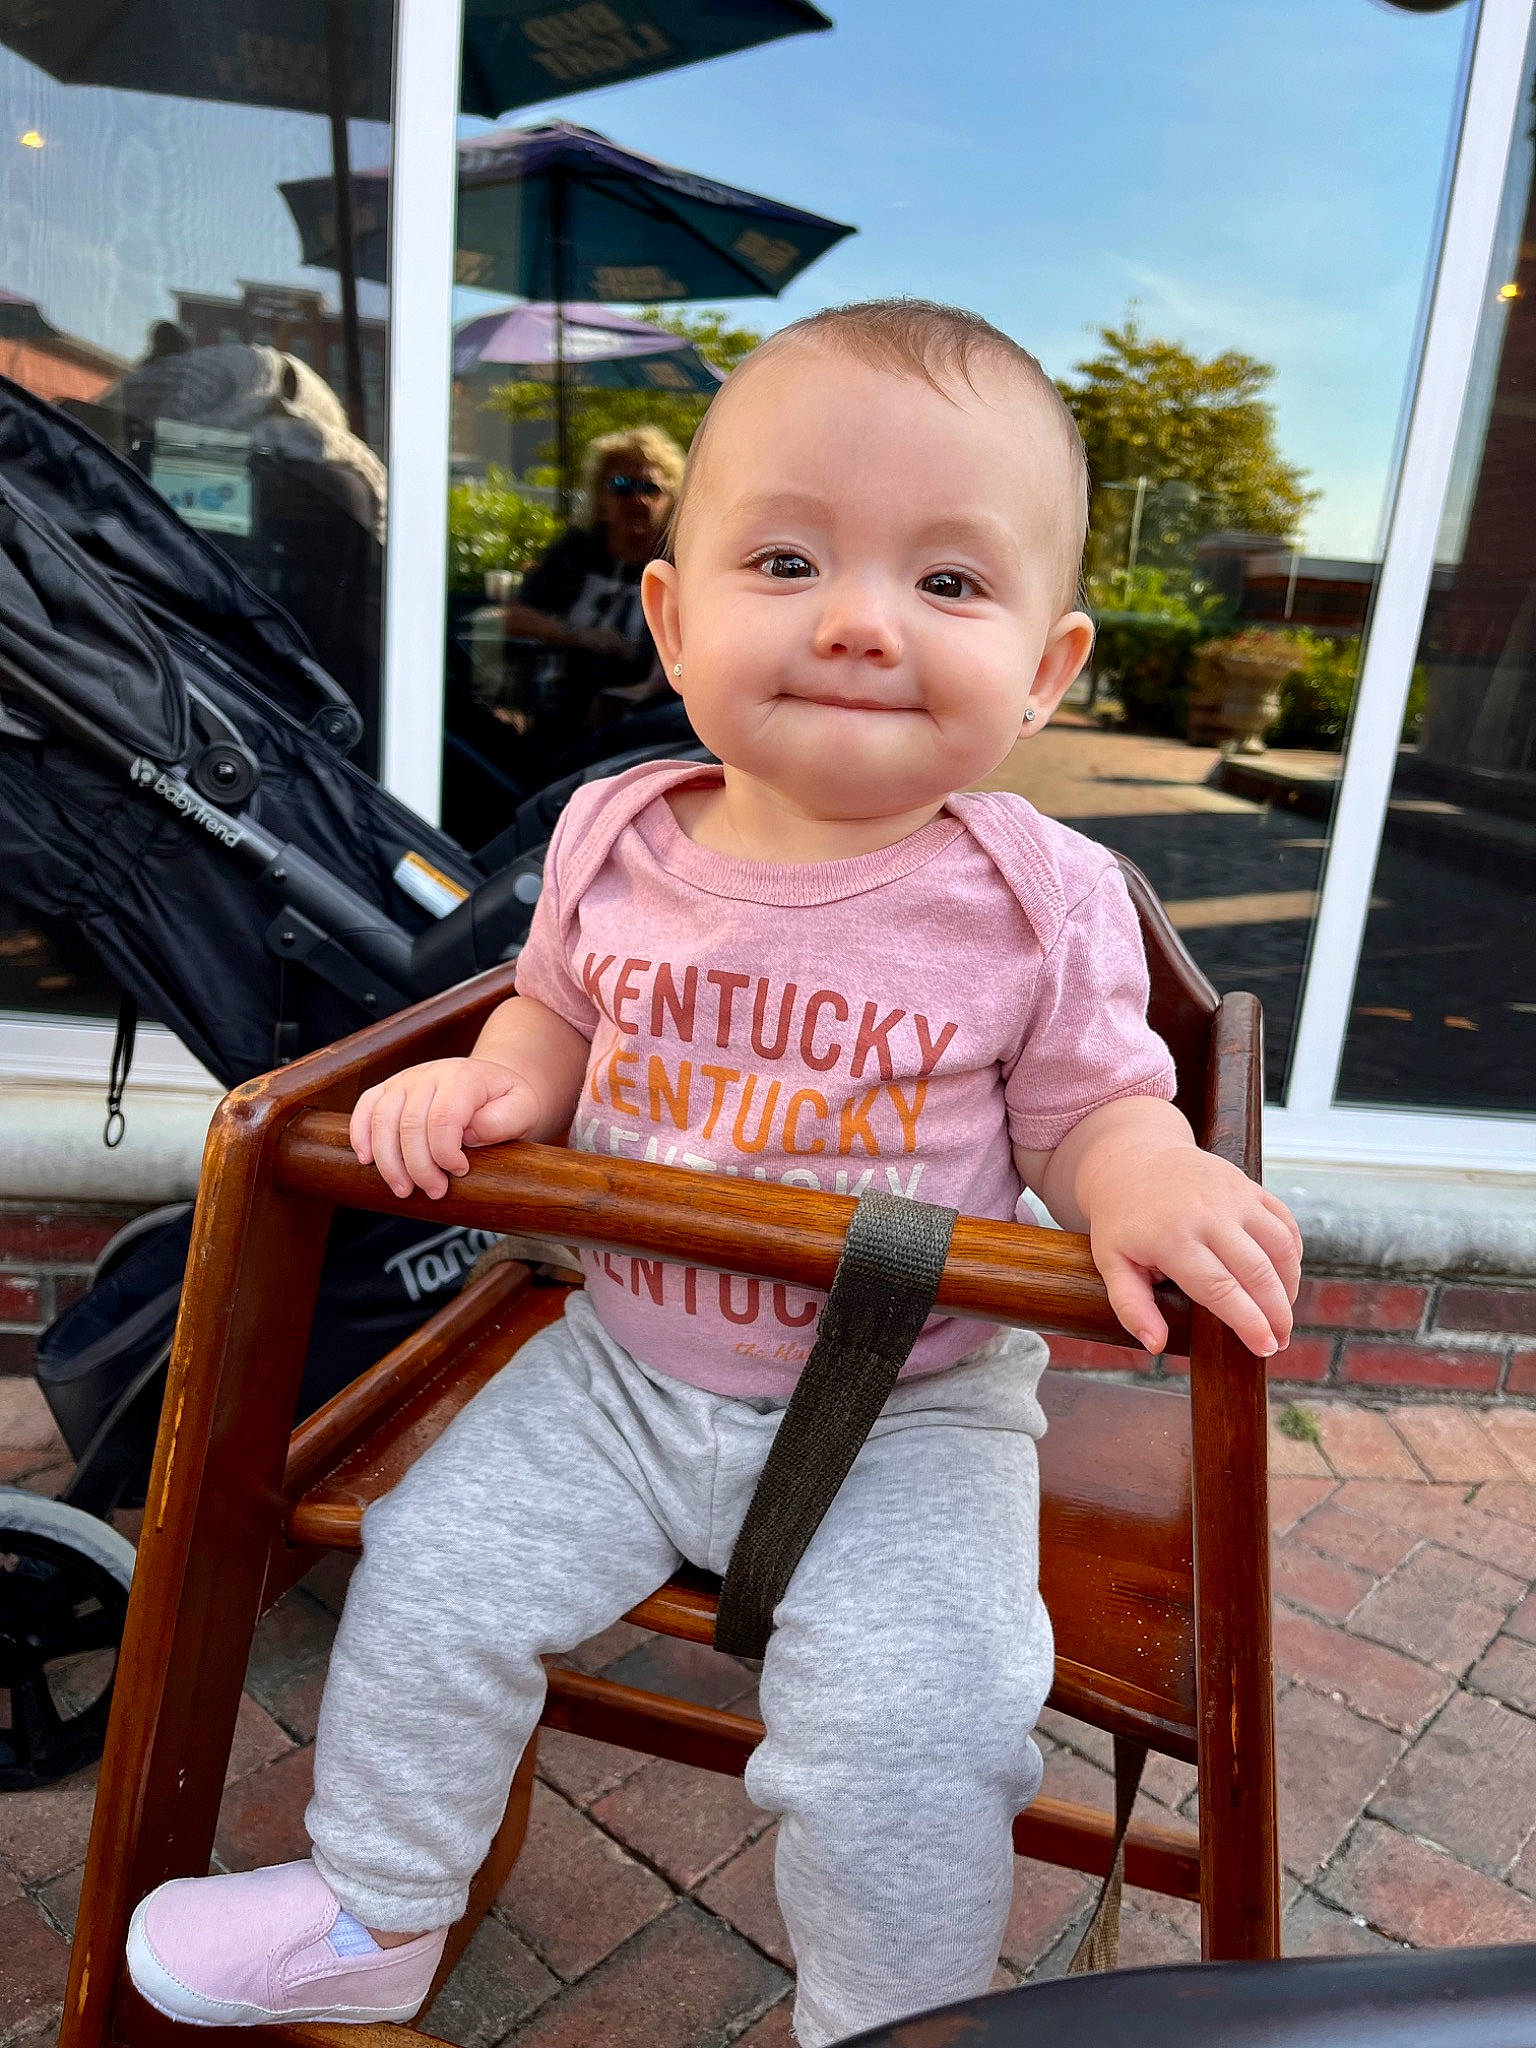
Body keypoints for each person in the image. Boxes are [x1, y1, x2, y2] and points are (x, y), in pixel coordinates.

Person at [125, 300, 1302, 2045]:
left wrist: (1140, 1178)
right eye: (783, 556)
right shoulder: (616, 832)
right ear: (672, 621)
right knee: (433, 1568)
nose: (854, 619)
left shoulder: (1037, 898)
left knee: (924, 1714)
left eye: (948, 585)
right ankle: (378, 1897)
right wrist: (487, 1087)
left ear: (1049, 670)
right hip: (617, 1367)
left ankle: (888, 2019)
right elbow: (551, 1017)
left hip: (902, 1405)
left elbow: (1087, 1113)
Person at [490, 424, 686, 763]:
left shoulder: (679, 564)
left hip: (642, 732)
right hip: (556, 720)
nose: (636, 500)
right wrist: (580, 636)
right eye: (622, 486)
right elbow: (510, 617)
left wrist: (624, 698)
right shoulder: (578, 552)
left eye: (650, 488)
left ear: (671, 500)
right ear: (600, 496)